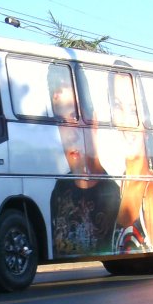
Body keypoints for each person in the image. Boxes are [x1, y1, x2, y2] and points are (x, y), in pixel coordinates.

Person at [48, 65, 120, 258]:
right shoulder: (60, 190)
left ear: (93, 122)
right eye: (61, 121)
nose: (69, 134)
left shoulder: (113, 194)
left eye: (74, 116)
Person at [110, 72, 153, 253]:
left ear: (146, 123)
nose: (126, 122)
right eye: (118, 106)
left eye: (134, 111)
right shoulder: (124, 181)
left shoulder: (151, 193)